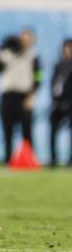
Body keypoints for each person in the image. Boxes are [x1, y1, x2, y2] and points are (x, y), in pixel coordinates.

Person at [0, 29, 40, 164]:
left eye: (28, 39)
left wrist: (31, 96)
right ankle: (8, 160)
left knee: (27, 131)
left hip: (24, 96)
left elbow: (38, 77)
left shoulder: (33, 56)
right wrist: (2, 52)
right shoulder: (6, 54)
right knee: (7, 131)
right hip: (7, 95)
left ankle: (29, 160)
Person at [50, 39, 72, 167]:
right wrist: (54, 100)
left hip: (71, 104)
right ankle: (53, 159)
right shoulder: (58, 65)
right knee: (53, 130)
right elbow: (53, 84)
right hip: (58, 104)